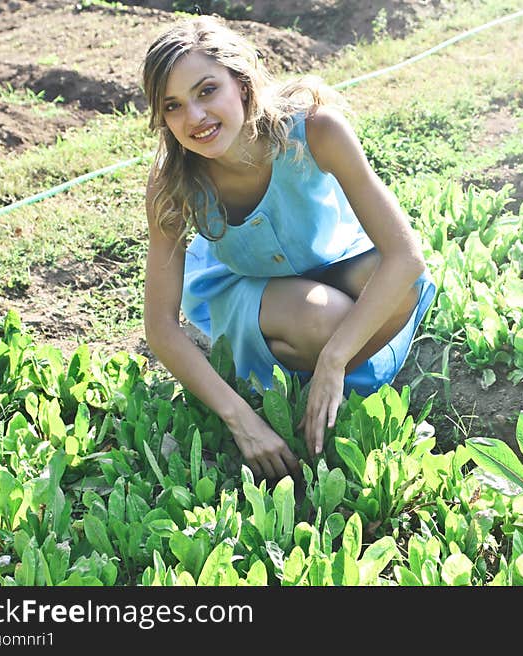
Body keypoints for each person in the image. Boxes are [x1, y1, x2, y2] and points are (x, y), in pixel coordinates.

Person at [141, 15, 435, 482]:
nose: (193, 117)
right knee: (324, 320)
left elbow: (407, 258)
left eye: (206, 91)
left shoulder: (316, 130)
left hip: (334, 259)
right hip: (247, 286)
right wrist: (242, 420)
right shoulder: (173, 182)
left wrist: (335, 360)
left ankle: (319, 373)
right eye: (173, 106)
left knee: (404, 286)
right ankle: (295, 365)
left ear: (241, 82)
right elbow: (159, 326)